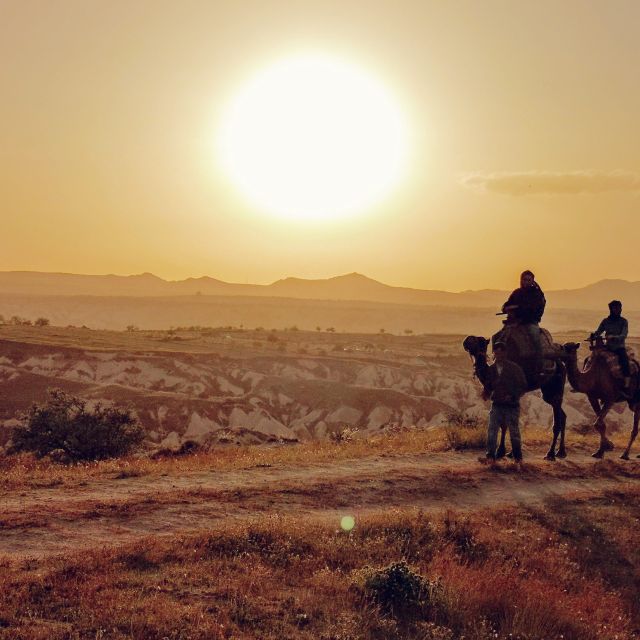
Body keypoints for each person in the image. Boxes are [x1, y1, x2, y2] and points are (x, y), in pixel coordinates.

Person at [480, 342, 528, 467]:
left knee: (514, 432)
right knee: (492, 431)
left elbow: (522, 386)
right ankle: (490, 457)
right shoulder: (491, 369)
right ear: (494, 354)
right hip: (497, 404)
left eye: (501, 352)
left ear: (505, 353)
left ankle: (518, 458)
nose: (499, 355)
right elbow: (488, 385)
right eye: (496, 353)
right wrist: (486, 392)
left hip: (511, 405)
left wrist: (512, 395)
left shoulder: (514, 368)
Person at [502, 270, 546, 378]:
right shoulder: (516, 293)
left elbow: (534, 309)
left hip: (530, 322)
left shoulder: (536, 294)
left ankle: (539, 367)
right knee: (499, 338)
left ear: (532, 281)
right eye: (525, 279)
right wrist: (507, 308)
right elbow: (506, 306)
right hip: (514, 323)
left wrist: (518, 309)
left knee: (535, 339)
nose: (526, 282)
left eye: (529, 280)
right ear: (521, 280)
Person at [592, 300, 630, 390]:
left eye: (619, 308)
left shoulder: (624, 321)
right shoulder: (605, 321)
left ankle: (627, 382)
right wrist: (594, 335)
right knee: (592, 359)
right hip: (608, 347)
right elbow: (598, 331)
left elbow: (624, 335)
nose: (618, 310)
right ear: (611, 309)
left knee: (624, 361)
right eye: (615, 308)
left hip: (619, 347)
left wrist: (614, 337)